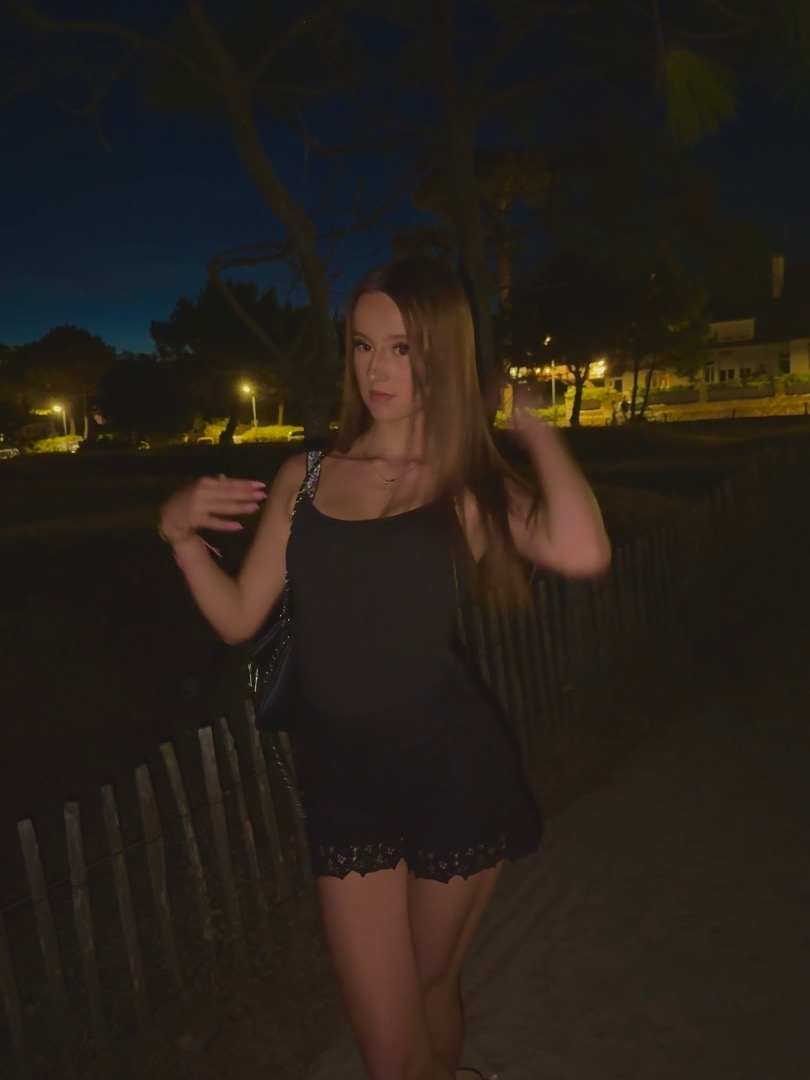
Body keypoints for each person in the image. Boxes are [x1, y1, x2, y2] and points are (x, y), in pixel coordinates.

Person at [158, 257, 611, 1080]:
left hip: (453, 778)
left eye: (402, 349)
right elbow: (238, 618)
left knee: (431, 990)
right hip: (344, 785)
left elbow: (583, 549)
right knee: (390, 1053)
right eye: (364, 346)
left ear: (442, 356)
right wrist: (182, 538)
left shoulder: (462, 483)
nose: (377, 370)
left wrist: (534, 429)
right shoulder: (307, 478)